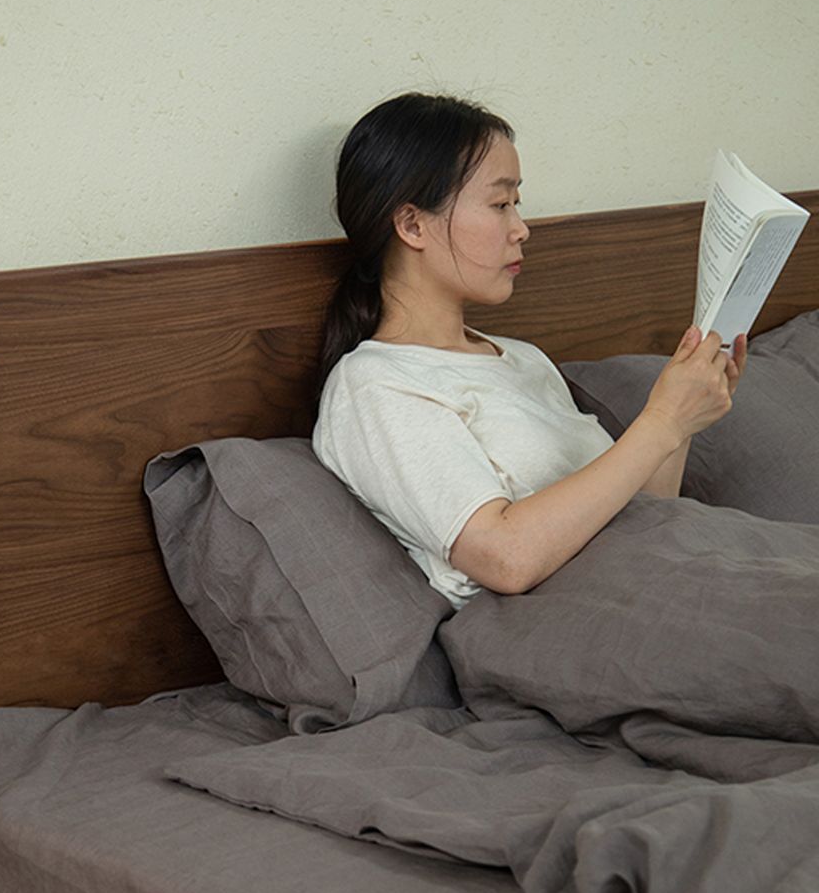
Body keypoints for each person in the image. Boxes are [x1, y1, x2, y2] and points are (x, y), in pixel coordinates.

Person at [313, 93, 748, 611]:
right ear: (412, 225)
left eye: (517, 204)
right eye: (500, 204)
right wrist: (659, 422)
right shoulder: (375, 385)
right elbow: (504, 558)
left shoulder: (522, 359)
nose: (521, 228)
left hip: (647, 576)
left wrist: (680, 422)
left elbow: (642, 514)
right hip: (559, 621)